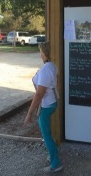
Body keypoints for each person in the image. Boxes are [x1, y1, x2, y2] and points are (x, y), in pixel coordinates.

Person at [24, 41, 63, 173]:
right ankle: (53, 153)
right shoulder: (52, 66)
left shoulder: (46, 70)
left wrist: (29, 113)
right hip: (52, 102)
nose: (39, 54)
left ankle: (56, 163)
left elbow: (39, 94)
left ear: (44, 53)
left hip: (47, 105)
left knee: (46, 135)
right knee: (47, 132)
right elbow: (56, 79)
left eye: (40, 51)